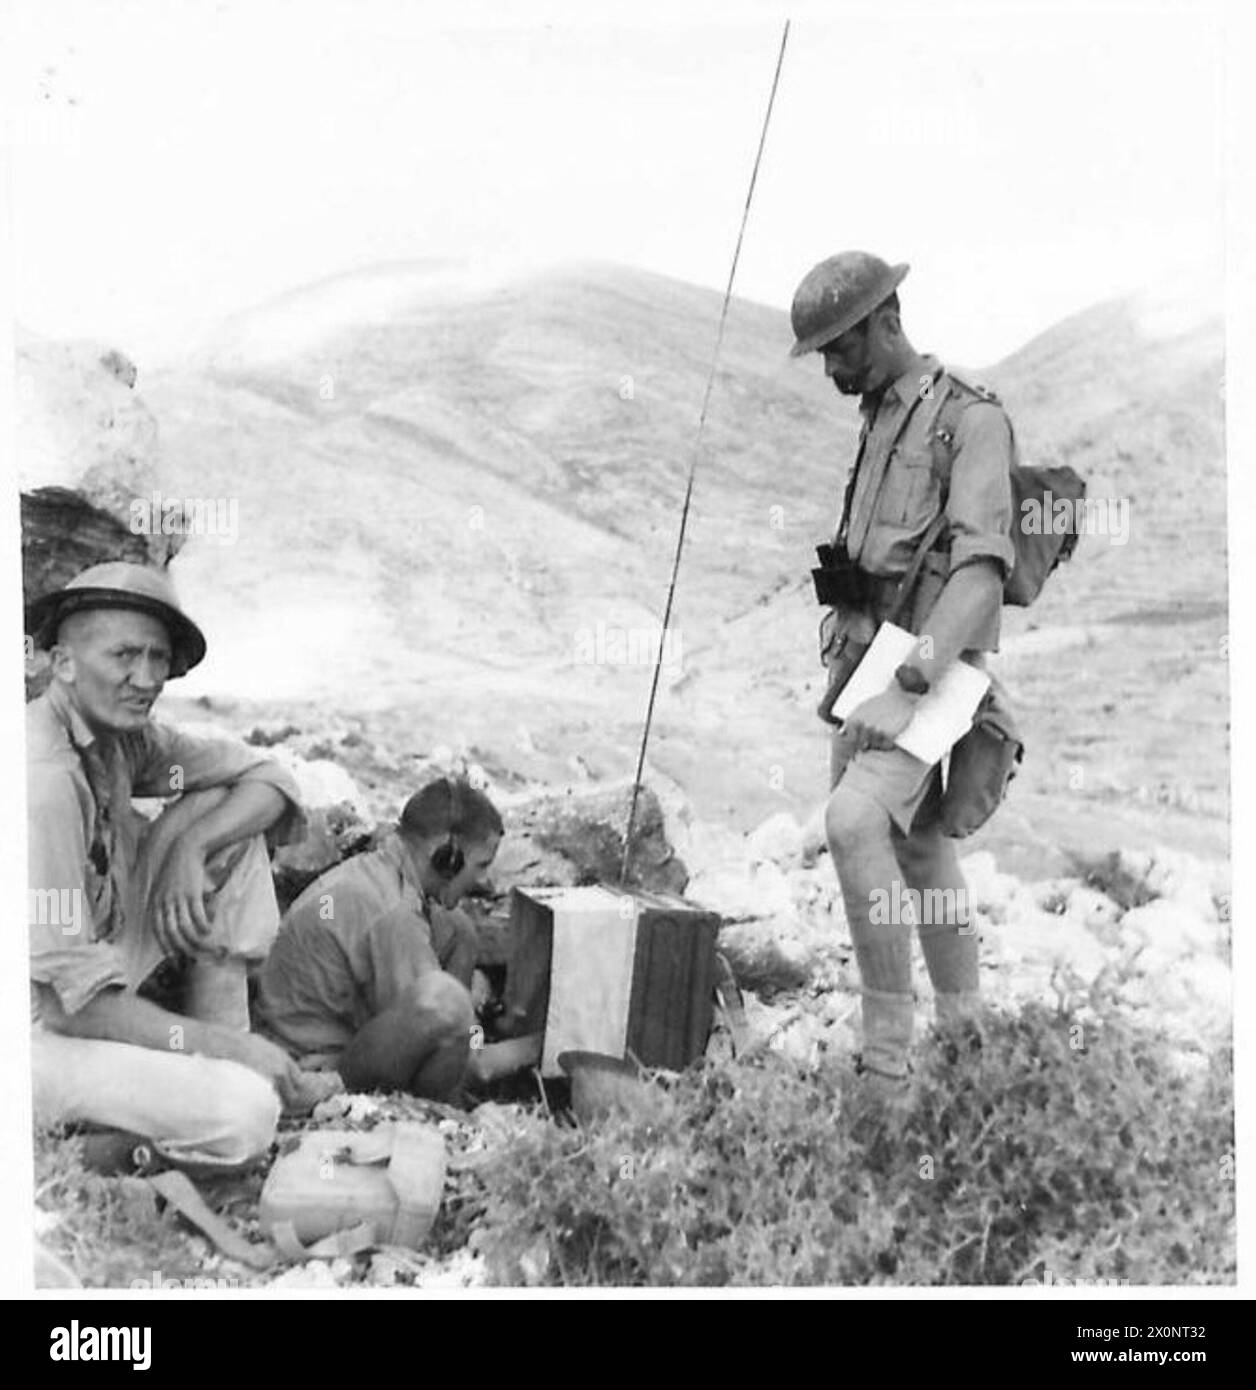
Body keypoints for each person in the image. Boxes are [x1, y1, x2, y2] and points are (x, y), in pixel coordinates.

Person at [791, 251, 1018, 1091]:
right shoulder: (881, 416)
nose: (830, 367)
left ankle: (885, 1065)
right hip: (877, 659)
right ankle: (967, 1050)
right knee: (914, 845)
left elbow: (980, 572)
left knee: (853, 822)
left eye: (840, 348)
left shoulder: (972, 419)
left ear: (888, 321)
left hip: (937, 663)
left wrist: (909, 685)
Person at [26, 562, 320, 1167]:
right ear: (63, 664)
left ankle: (225, 1049)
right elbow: (68, 1007)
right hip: (36, 1027)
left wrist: (191, 848)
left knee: (217, 811)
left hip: (88, 972)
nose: (146, 678)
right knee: (246, 1112)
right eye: (124, 656)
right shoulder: (43, 780)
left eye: (158, 658)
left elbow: (267, 777)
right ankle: (93, 1150)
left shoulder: (121, 740)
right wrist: (217, 1052)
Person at [254, 777, 539, 1101]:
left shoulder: (381, 869)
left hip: (304, 1028)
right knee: (449, 1002)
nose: (485, 881)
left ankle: (464, 1045)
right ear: (447, 855)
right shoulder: (395, 915)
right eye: (482, 865)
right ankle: (443, 1098)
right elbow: (478, 1065)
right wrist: (538, 1044)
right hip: (309, 1066)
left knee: (459, 928)